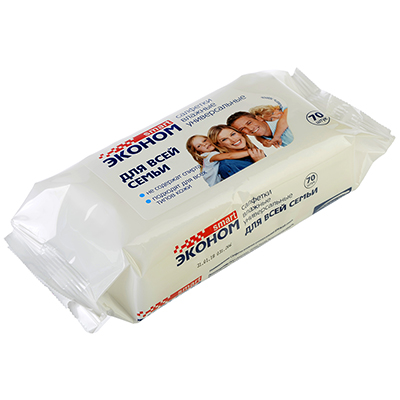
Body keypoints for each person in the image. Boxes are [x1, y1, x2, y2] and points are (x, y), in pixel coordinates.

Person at [186, 135, 252, 186]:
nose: (204, 144)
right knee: (225, 163)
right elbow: (229, 156)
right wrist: (251, 152)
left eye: (204, 140)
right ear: (199, 152)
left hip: (223, 182)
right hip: (220, 187)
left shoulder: (217, 151)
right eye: (199, 146)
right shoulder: (207, 156)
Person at [226, 106, 294, 148]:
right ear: (243, 133)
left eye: (249, 123)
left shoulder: (284, 120)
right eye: (242, 129)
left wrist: (276, 136)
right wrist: (263, 141)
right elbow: (258, 136)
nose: (250, 128)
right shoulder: (265, 138)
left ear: (259, 118)